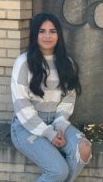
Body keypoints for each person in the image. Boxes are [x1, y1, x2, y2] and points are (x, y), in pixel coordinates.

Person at [10, 12, 92, 182]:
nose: (47, 36)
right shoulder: (23, 63)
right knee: (58, 171)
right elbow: (22, 105)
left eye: (52, 31)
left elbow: (69, 98)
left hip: (56, 122)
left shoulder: (66, 63)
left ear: (58, 35)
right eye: (42, 31)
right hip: (26, 125)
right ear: (35, 34)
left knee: (84, 148)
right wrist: (48, 133)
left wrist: (60, 126)